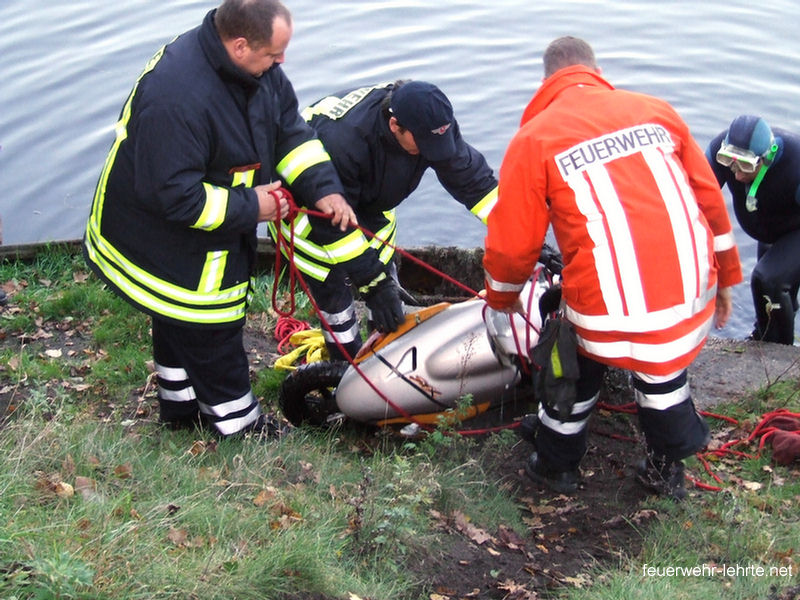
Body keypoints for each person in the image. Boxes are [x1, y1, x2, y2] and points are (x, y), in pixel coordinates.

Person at [482, 36, 743, 500]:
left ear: (546, 83)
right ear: (596, 70)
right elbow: (710, 202)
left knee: (571, 360)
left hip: (606, 316)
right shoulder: (657, 111)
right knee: (663, 367)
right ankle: (667, 467)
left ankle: (555, 463)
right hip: (690, 298)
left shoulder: (534, 139)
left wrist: (500, 301)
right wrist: (725, 277)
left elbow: (513, 247)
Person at [83, 0, 356, 437]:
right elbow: (174, 196)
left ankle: (181, 412)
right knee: (211, 332)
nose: (282, 62)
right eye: (273, 54)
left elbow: (289, 130)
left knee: (176, 325)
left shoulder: (254, 70)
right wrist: (256, 207)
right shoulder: (177, 96)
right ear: (241, 45)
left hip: (201, 226)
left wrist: (324, 188)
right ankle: (240, 427)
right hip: (162, 240)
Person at [270, 80, 498, 360]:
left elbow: (474, 182)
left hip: (370, 205)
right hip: (311, 217)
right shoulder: (344, 144)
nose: (432, 152)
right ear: (394, 126)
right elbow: (332, 224)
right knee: (336, 297)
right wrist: (373, 284)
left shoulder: (432, 125)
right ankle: (346, 365)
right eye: (425, 145)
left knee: (388, 298)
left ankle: (385, 353)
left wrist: (518, 232)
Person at [706, 115, 800, 345]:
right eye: (730, 162)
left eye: (746, 165)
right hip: (768, 228)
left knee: (770, 280)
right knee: (767, 292)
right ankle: (764, 340)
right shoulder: (720, 151)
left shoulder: (795, 165)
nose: (737, 174)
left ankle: (783, 358)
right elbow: (697, 197)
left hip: (795, 230)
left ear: (766, 157)